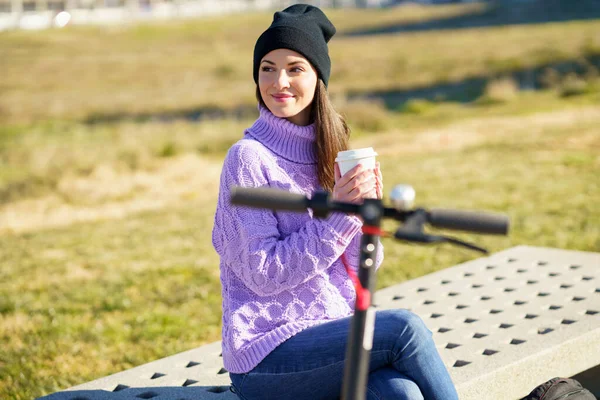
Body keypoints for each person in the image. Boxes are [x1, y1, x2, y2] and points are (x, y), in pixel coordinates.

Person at [211, 4, 458, 400]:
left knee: (403, 395)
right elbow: (264, 274)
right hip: (267, 358)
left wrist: (367, 215)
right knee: (404, 329)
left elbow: (363, 272)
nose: (279, 82)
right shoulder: (248, 159)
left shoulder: (332, 153)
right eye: (267, 68)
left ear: (318, 78)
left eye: (295, 68)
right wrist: (339, 219)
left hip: (333, 339)